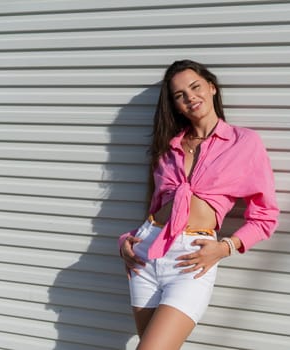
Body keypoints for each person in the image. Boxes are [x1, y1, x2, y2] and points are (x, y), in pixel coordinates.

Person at [118, 59, 279, 350]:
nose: (190, 97)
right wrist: (127, 242)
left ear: (212, 88)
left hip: (191, 259)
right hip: (145, 254)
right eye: (180, 95)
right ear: (176, 106)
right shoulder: (169, 146)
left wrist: (225, 248)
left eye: (195, 87)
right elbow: (155, 206)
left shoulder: (244, 143)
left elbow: (265, 215)